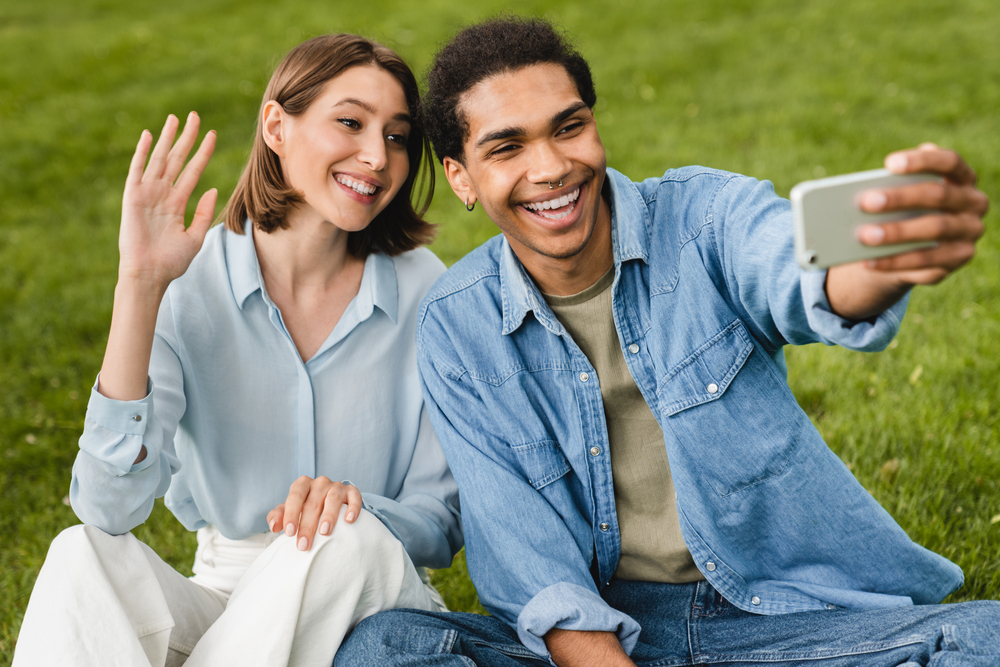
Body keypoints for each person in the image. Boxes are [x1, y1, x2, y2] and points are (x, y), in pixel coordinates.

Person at [334, 16, 998, 667]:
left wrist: (870, 271)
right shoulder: (459, 324)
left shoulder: (703, 217)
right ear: (460, 176)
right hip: (604, 633)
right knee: (385, 647)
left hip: (780, 621)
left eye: (570, 127)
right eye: (507, 148)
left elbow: (792, 270)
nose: (553, 167)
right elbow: (531, 567)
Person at [13, 34, 462, 667]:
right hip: (228, 594)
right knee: (79, 555)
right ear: (277, 126)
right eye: (351, 123)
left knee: (340, 539)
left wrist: (356, 509)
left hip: (369, 598)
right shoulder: (189, 281)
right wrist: (139, 287)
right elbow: (107, 509)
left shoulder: (429, 291)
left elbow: (438, 520)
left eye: (396, 135)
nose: (377, 156)